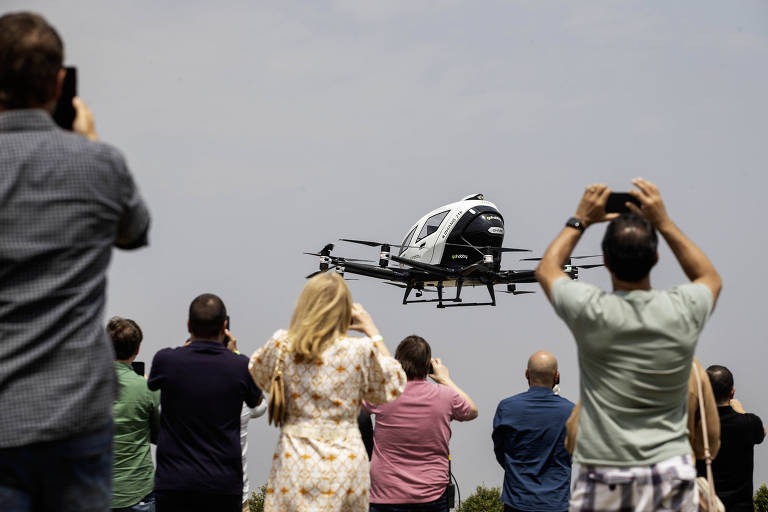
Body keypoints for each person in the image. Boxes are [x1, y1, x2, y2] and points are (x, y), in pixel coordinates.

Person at [0, 12, 150, 512]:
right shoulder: (99, 164)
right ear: (60, 82)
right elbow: (135, 231)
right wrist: (88, 143)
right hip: (75, 414)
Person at [535, 179, 722, 511]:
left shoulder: (592, 310)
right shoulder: (681, 310)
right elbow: (709, 277)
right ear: (655, 258)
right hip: (670, 472)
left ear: (605, 260)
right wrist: (662, 221)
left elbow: (548, 270)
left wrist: (581, 218)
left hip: (604, 471)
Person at [248, 273, 406, 512]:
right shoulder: (360, 350)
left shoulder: (283, 344)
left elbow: (257, 373)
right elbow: (394, 383)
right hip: (346, 460)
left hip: (296, 457)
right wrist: (372, 331)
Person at [148, 294, 263, 512]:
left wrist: (184, 348)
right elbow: (258, 402)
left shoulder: (167, 361)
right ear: (225, 326)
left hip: (175, 484)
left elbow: (153, 384)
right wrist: (234, 354)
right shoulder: (239, 366)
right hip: (223, 485)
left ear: (188, 325)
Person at [362, 335, 478, 511]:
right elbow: (472, 411)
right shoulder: (446, 396)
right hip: (432, 493)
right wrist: (444, 379)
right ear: (428, 366)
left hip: (386, 493)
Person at [565, 358, 721, 462]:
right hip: (672, 483)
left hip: (619, 483)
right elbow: (709, 445)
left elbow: (575, 437)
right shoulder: (693, 369)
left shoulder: (607, 366)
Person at [492, 351, 574, 512]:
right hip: (556, 501)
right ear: (556, 376)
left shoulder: (507, 407)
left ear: (527, 374)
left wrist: (517, 471)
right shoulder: (572, 412)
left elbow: (500, 452)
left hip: (517, 500)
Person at [696, 365, 765, 511]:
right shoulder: (748, 424)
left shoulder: (696, 428)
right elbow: (763, 432)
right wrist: (740, 410)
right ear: (732, 391)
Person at [108, 317, 160, 512]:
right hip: (138, 491)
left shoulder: (88, 387)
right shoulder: (147, 388)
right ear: (137, 349)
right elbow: (158, 435)